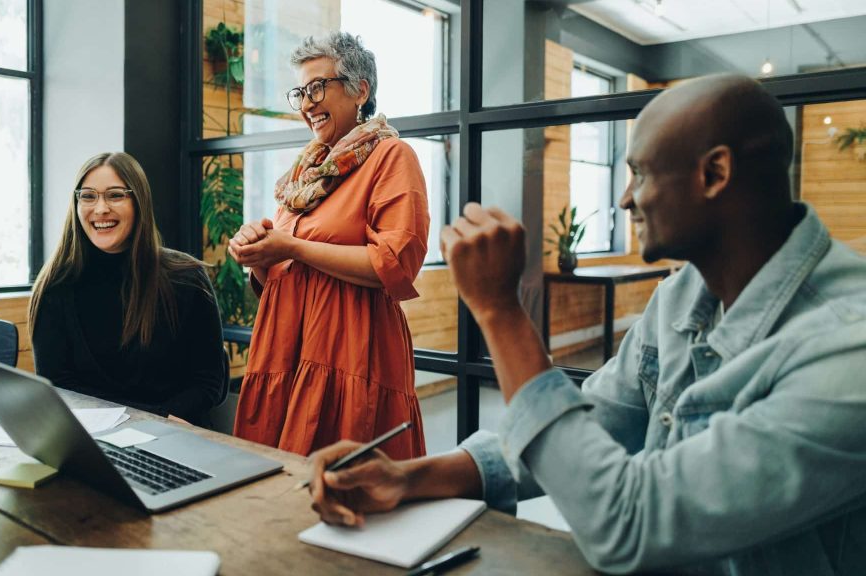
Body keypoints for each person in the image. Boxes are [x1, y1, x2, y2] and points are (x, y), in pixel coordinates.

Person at [306, 74, 866, 575]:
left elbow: (629, 523)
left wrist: (500, 313)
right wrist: (411, 478)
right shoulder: (680, 297)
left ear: (715, 173)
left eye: (639, 173)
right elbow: (590, 425)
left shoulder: (848, 351)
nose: (625, 199)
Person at [228, 32, 428, 459]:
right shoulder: (304, 175)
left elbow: (393, 264)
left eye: (317, 87)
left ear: (360, 90)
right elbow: (279, 277)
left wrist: (292, 247)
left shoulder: (391, 157)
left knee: (347, 488)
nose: (306, 103)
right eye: (300, 92)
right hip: (285, 350)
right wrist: (259, 255)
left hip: (351, 352)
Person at [29, 152, 226, 426]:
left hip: (173, 434)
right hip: (91, 438)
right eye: (88, 196)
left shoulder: (187, 277)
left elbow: (209, 381)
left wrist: (159, 422)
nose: (100, 209)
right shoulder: (55, 285)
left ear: (139, 202)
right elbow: (59, 386)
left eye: (115, 195)